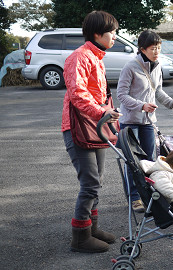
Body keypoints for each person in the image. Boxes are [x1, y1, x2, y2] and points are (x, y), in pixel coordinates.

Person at [62, 11, 122, 253]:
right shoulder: (79, 57)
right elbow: (77, 93)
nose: (116, 37)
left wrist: (109, 114)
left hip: (96, 128)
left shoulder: (96, 57)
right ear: (98, 34)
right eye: (113, 32)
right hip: (79, 128)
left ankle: (91, 228)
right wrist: (101, 113)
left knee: (96, 182)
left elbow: (99, 95)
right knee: (89, 184)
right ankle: (80, 237)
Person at [116, 30, 173, 213]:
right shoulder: (130, 67)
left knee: (150, 162)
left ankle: (150, 195)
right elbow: (121, 95)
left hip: (148, 122)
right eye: (153, 48)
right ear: (142, 49)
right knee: (133, 163)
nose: (157, 51)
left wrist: (172, 103)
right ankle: (135, 198)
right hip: (130, 121)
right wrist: (141, 106)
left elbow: (158, 92)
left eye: (159, 48)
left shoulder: (157, 66)